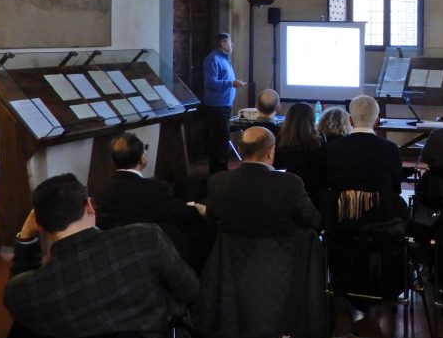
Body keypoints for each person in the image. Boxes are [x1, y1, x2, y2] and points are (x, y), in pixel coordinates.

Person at [4, 173, 198, 338]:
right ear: (89, 206)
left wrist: (25, 236)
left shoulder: (24, 292)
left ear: (39, 224)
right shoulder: (144, 238)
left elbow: (18, 288)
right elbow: (190, 289)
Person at [93, 131, 212, 270]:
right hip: (153, 249)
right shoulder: (154, 188)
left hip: (118, 251)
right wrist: (197, 208)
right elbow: (182, 215)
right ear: (142, 158)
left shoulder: (101, 190)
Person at [206, 125, 320, 236]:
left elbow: (212, 221)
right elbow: (312, 220)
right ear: (270, 152)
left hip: (229, 252)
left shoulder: (217, 181)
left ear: (239, 150)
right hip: (283, 251)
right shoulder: (290, 183)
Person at [325, 95, 402, 196]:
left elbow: (327, 183)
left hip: (340, 208)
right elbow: (396, 189)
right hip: (382, 209)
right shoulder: (391, 149)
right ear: (377, 121)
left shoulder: (332, 148)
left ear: (350, 120)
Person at [202, 32, 245, 173]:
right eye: (230, 41)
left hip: (224, 106)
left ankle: (222, 171)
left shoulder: (224, 59)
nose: (232, 44)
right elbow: (210, 83)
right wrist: (232, 83)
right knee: (219, 143)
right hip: (216, 108)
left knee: (222, 141)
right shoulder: (213, 59)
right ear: (223, 43)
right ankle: (218, 174)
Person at [275, 102, 327, 204]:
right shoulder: (319, 140)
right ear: (312, 120)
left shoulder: (279, 140)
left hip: (284, 194)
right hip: (314, 194)